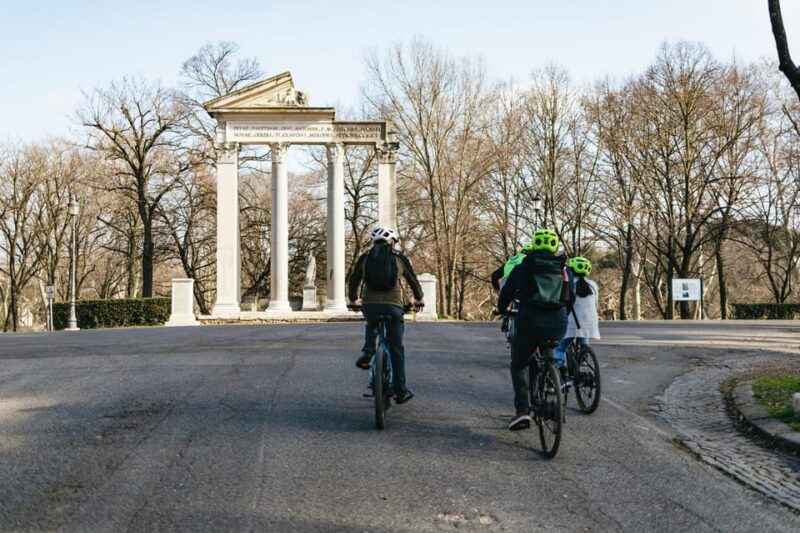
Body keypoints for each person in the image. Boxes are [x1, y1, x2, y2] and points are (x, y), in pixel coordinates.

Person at [497, 228, 574, 431]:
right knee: (550, 352)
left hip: (529, 324)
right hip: (558, 325)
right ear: (555, 247)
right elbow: (570, 300)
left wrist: (502, 309)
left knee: (518, 364)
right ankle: (553, 378)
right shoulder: (565, 270)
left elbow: (506, 292)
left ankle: (523, 411)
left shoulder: (523, 267)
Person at [347, 226, 424, 404]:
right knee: (396, 348)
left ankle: (368, 351)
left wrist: (353, 300)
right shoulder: (398, 258)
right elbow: (413, 281)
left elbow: (354, 281)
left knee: (371, 323)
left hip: (370, 305)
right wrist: (418, 299)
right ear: (392, 242)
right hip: (394, 306)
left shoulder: (365, 258)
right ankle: (401, 390)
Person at [555, 256, 600, 385]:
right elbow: (595, 304)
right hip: (590, 323)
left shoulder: (568, 284)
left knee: (559, 349)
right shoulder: (593, 285)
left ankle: (562, 377)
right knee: (582, 338)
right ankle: (584, 352)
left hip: (572, 323)